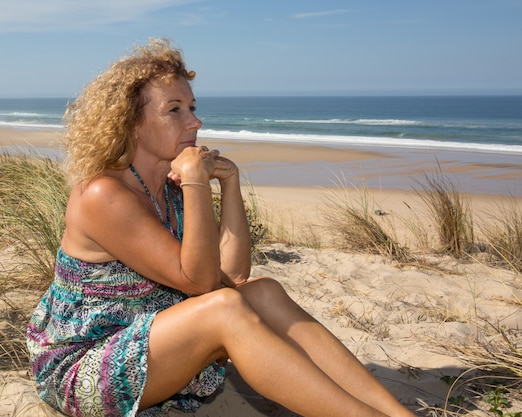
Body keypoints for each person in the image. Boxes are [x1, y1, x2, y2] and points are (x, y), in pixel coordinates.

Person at [26, 38, 416, 417]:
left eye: (192, 107)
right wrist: (197, 181)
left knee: (263, 292)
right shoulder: (102, 195)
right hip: (83, 369)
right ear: (131, 124)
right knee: (224, 308)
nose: (194, 121)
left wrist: (230, 184)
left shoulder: (167, 188)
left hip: (148, 344)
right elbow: (198, 283)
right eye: (174, 110)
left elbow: (230, 274)